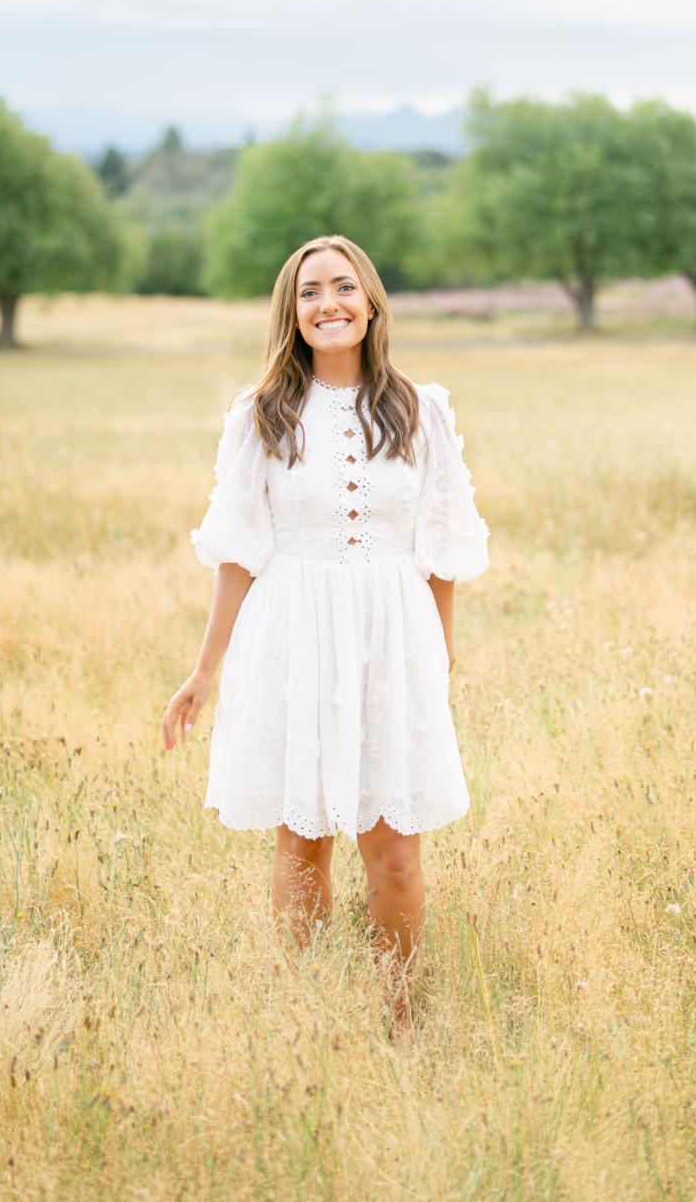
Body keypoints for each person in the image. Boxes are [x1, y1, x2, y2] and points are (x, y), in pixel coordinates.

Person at [160, 233, 490, 1038]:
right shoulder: (262, 414)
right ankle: (304, 1024)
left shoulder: (421, 410)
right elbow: (237, 550)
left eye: (343, 287)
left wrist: (439, 655)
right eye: (310, 293)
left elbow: (442, 546)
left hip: (393, 633)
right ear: (292, 312)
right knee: (302, 842)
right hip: (292, 633)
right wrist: (206, 671)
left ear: (371, 300)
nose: (328, 304)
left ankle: (401, 1024)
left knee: (395, 846)